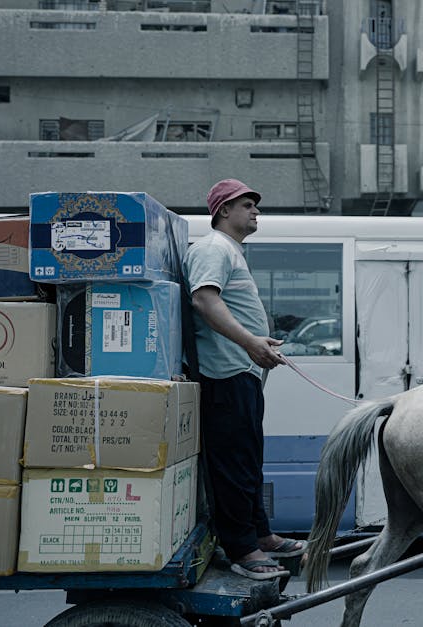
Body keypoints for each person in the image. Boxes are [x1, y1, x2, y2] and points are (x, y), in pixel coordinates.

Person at [185, 178, 306, 581]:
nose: (256, 211)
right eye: (247, 205)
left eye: (256, 205)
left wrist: (256, 344)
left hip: (243, 372)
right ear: (224, 211)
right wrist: (252, 341)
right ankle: (241, 549)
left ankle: (261, 534)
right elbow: (205, 299)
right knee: (234, 463)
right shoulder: (213, 247)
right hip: (225, 373)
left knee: (249, 460)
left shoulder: (231, 252)